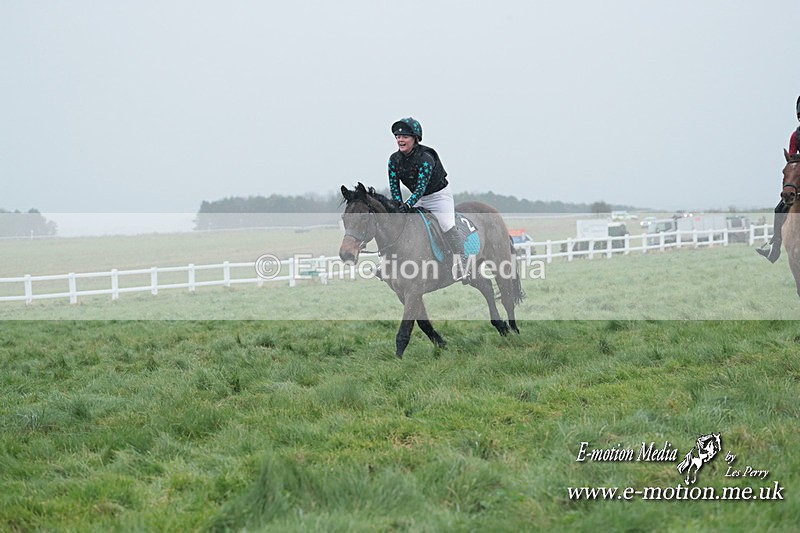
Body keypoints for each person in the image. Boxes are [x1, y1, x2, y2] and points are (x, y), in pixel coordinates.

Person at [388, 117, 467, 281]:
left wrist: (408, 204)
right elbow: (394, 187)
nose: (400, 140)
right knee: (400, 224)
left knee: (446, 225)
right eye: (397, 136)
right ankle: (387, 263)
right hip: (418, 198)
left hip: (438, 196)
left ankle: (462, 263)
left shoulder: (426, 157)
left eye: (404, 137)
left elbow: (421, 188)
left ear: (415, 138)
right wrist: (398, 206)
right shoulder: (393, 160)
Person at [757, 96, 800, 262]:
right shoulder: (795, 135)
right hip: (798, 175)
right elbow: (791, 156)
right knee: (778, 209)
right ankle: (775, 248)